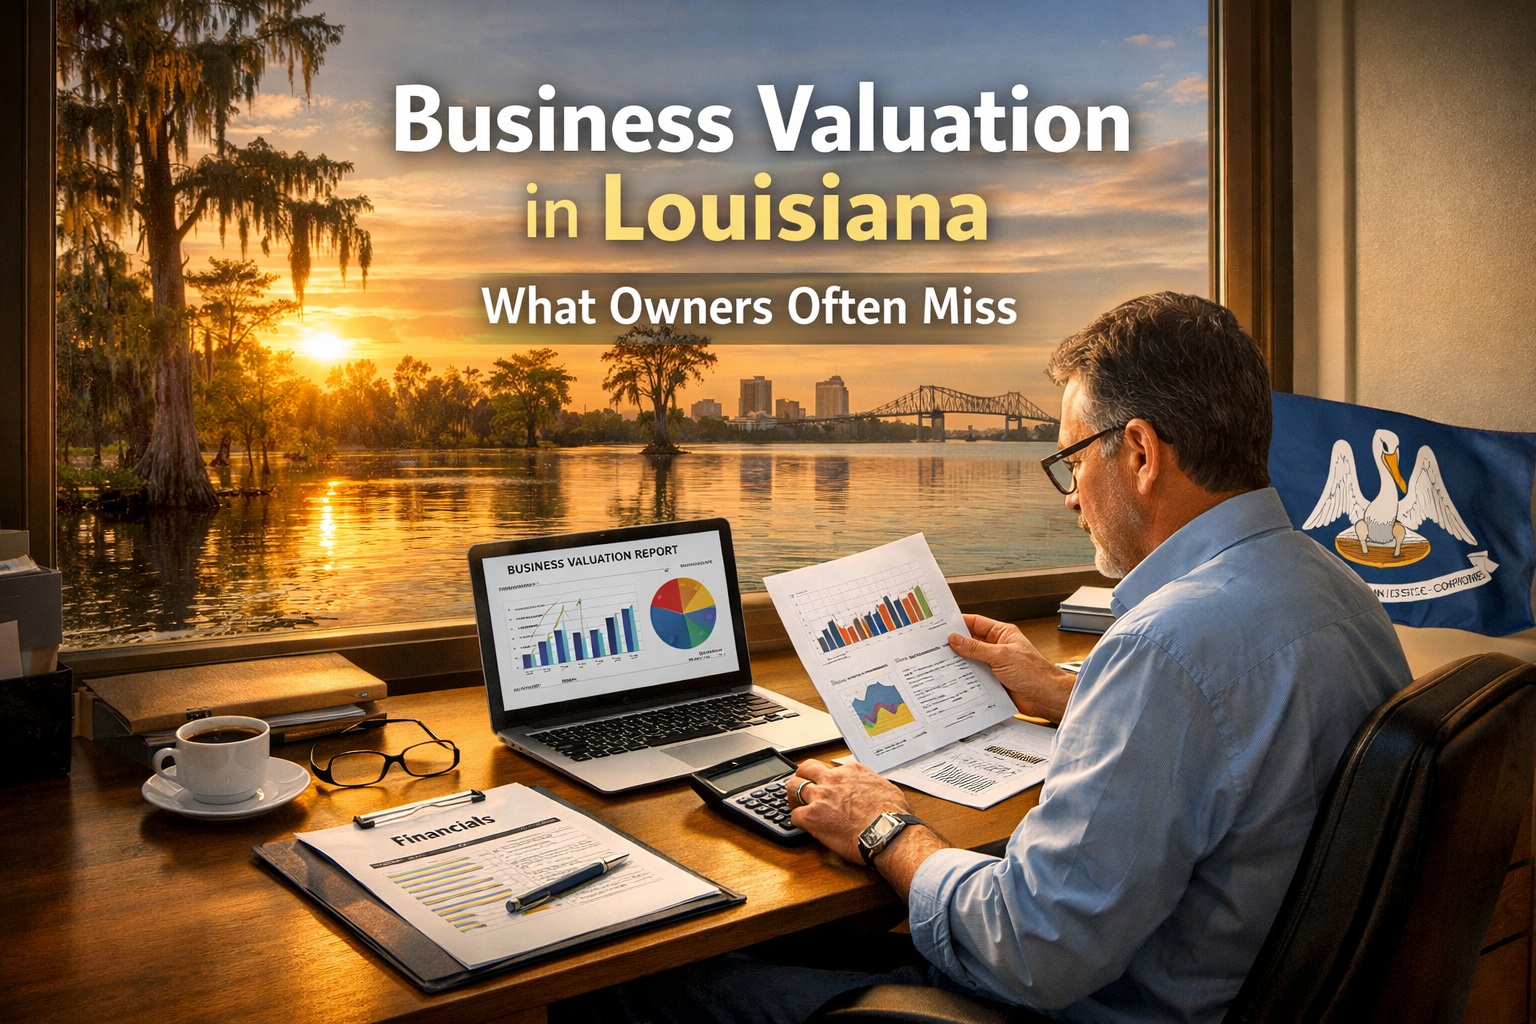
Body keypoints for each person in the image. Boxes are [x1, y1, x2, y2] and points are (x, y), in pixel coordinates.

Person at [551, 293, 1412, 1024]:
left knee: (637, 988)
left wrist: (882, 826)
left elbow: (1032, 949)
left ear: (1142, 453)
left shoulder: (1164, 647)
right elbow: (1244, 746)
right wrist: (1065, 692)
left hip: (1102, 1006)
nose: (1071, 493)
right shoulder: (1334, 592)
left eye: (1074, 458)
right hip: (1230, 986)